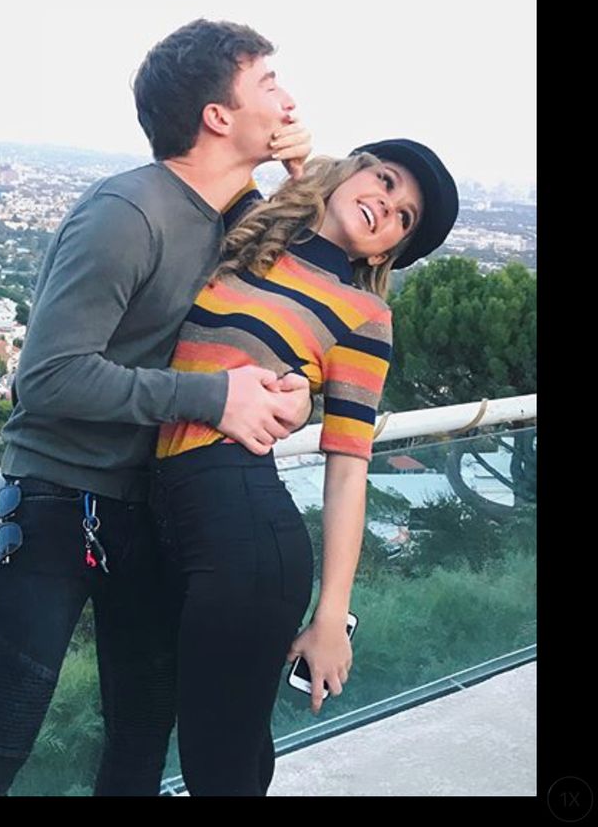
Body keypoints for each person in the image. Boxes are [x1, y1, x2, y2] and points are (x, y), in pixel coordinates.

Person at [0, 18, 314, 797]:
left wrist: (287, 388)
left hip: (151, 509)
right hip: (59, 502)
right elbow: (51, 378)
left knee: (142, 728)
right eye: (269, 83)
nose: (290, 99)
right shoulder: (126, 212)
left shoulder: (234, 218)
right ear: (218, 114)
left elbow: (307, 300)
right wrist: (215, 397)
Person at [149, 138, 459, 796]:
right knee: (201, 744)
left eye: (403, 217)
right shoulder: (249, 238)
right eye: (385, 180)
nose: (388, 205)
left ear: (384, 254)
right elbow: (210, 152)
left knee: (216, 760)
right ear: (349, 173)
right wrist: (291, 154)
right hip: (159, 512)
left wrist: (332, 616)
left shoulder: (364, 314)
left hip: (243, 529)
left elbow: (347, 468)